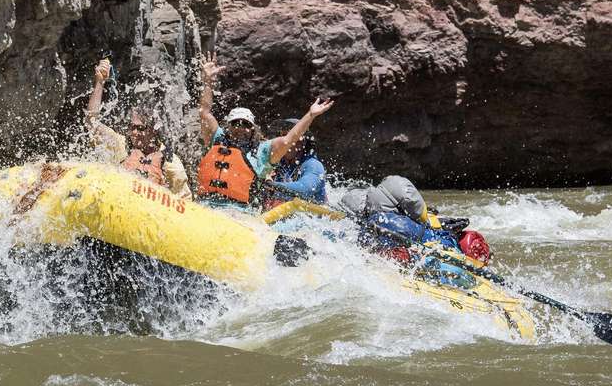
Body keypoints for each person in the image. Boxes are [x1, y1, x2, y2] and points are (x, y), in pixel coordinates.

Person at [195, 51, 334, 212]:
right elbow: (204, 113)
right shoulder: (217, 139)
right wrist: (207, 82)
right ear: (228, 126)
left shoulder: (263, 152)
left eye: (245, 124)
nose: (240, 128)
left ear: (253, 129)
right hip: (205, 207)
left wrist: (310, 115)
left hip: (238, 214)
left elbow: (289, 139)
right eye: (236, 124)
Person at [86, 59, 191, 199]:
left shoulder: (170, 162)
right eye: (132, 127)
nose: (135, 133)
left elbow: (185, 202)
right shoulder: (120, 145)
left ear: (154, 129)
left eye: (141, 128)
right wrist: (99, 82)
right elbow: (91, 123)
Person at [336, 175, 491, 264]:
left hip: (376, 224)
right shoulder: (450, 246)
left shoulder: (443, 233)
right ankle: (386, 253)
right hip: (394, 228)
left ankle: (381, 252)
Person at [263, 122, 327, 209]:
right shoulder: (278, 162)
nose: (285, 142)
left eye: (291, 137)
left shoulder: (313, 165)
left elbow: (305, 189)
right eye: (283, 136)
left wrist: (270, 184)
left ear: (302, 142)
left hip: (312, 215)